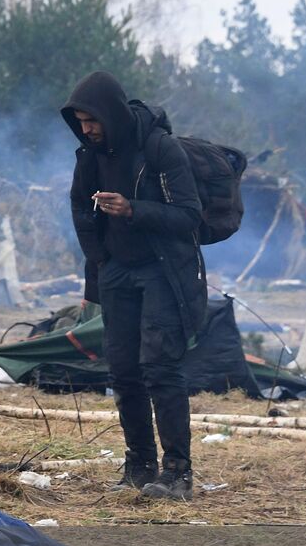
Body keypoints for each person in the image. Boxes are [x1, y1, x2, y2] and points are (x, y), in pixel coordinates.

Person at [64, 71, 206, 501]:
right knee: (123, 372)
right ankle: (139, 466)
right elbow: (79, 206)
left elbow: (189, 216)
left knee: (161, 368)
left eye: (92, 120)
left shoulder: (159, 148)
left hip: (162, 270)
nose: (86, 129)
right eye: (80, 122)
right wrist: (100, 263)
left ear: (111, 113)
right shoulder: (89, 155)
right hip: (117, 271)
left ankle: (178, 472)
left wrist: (133, 210)